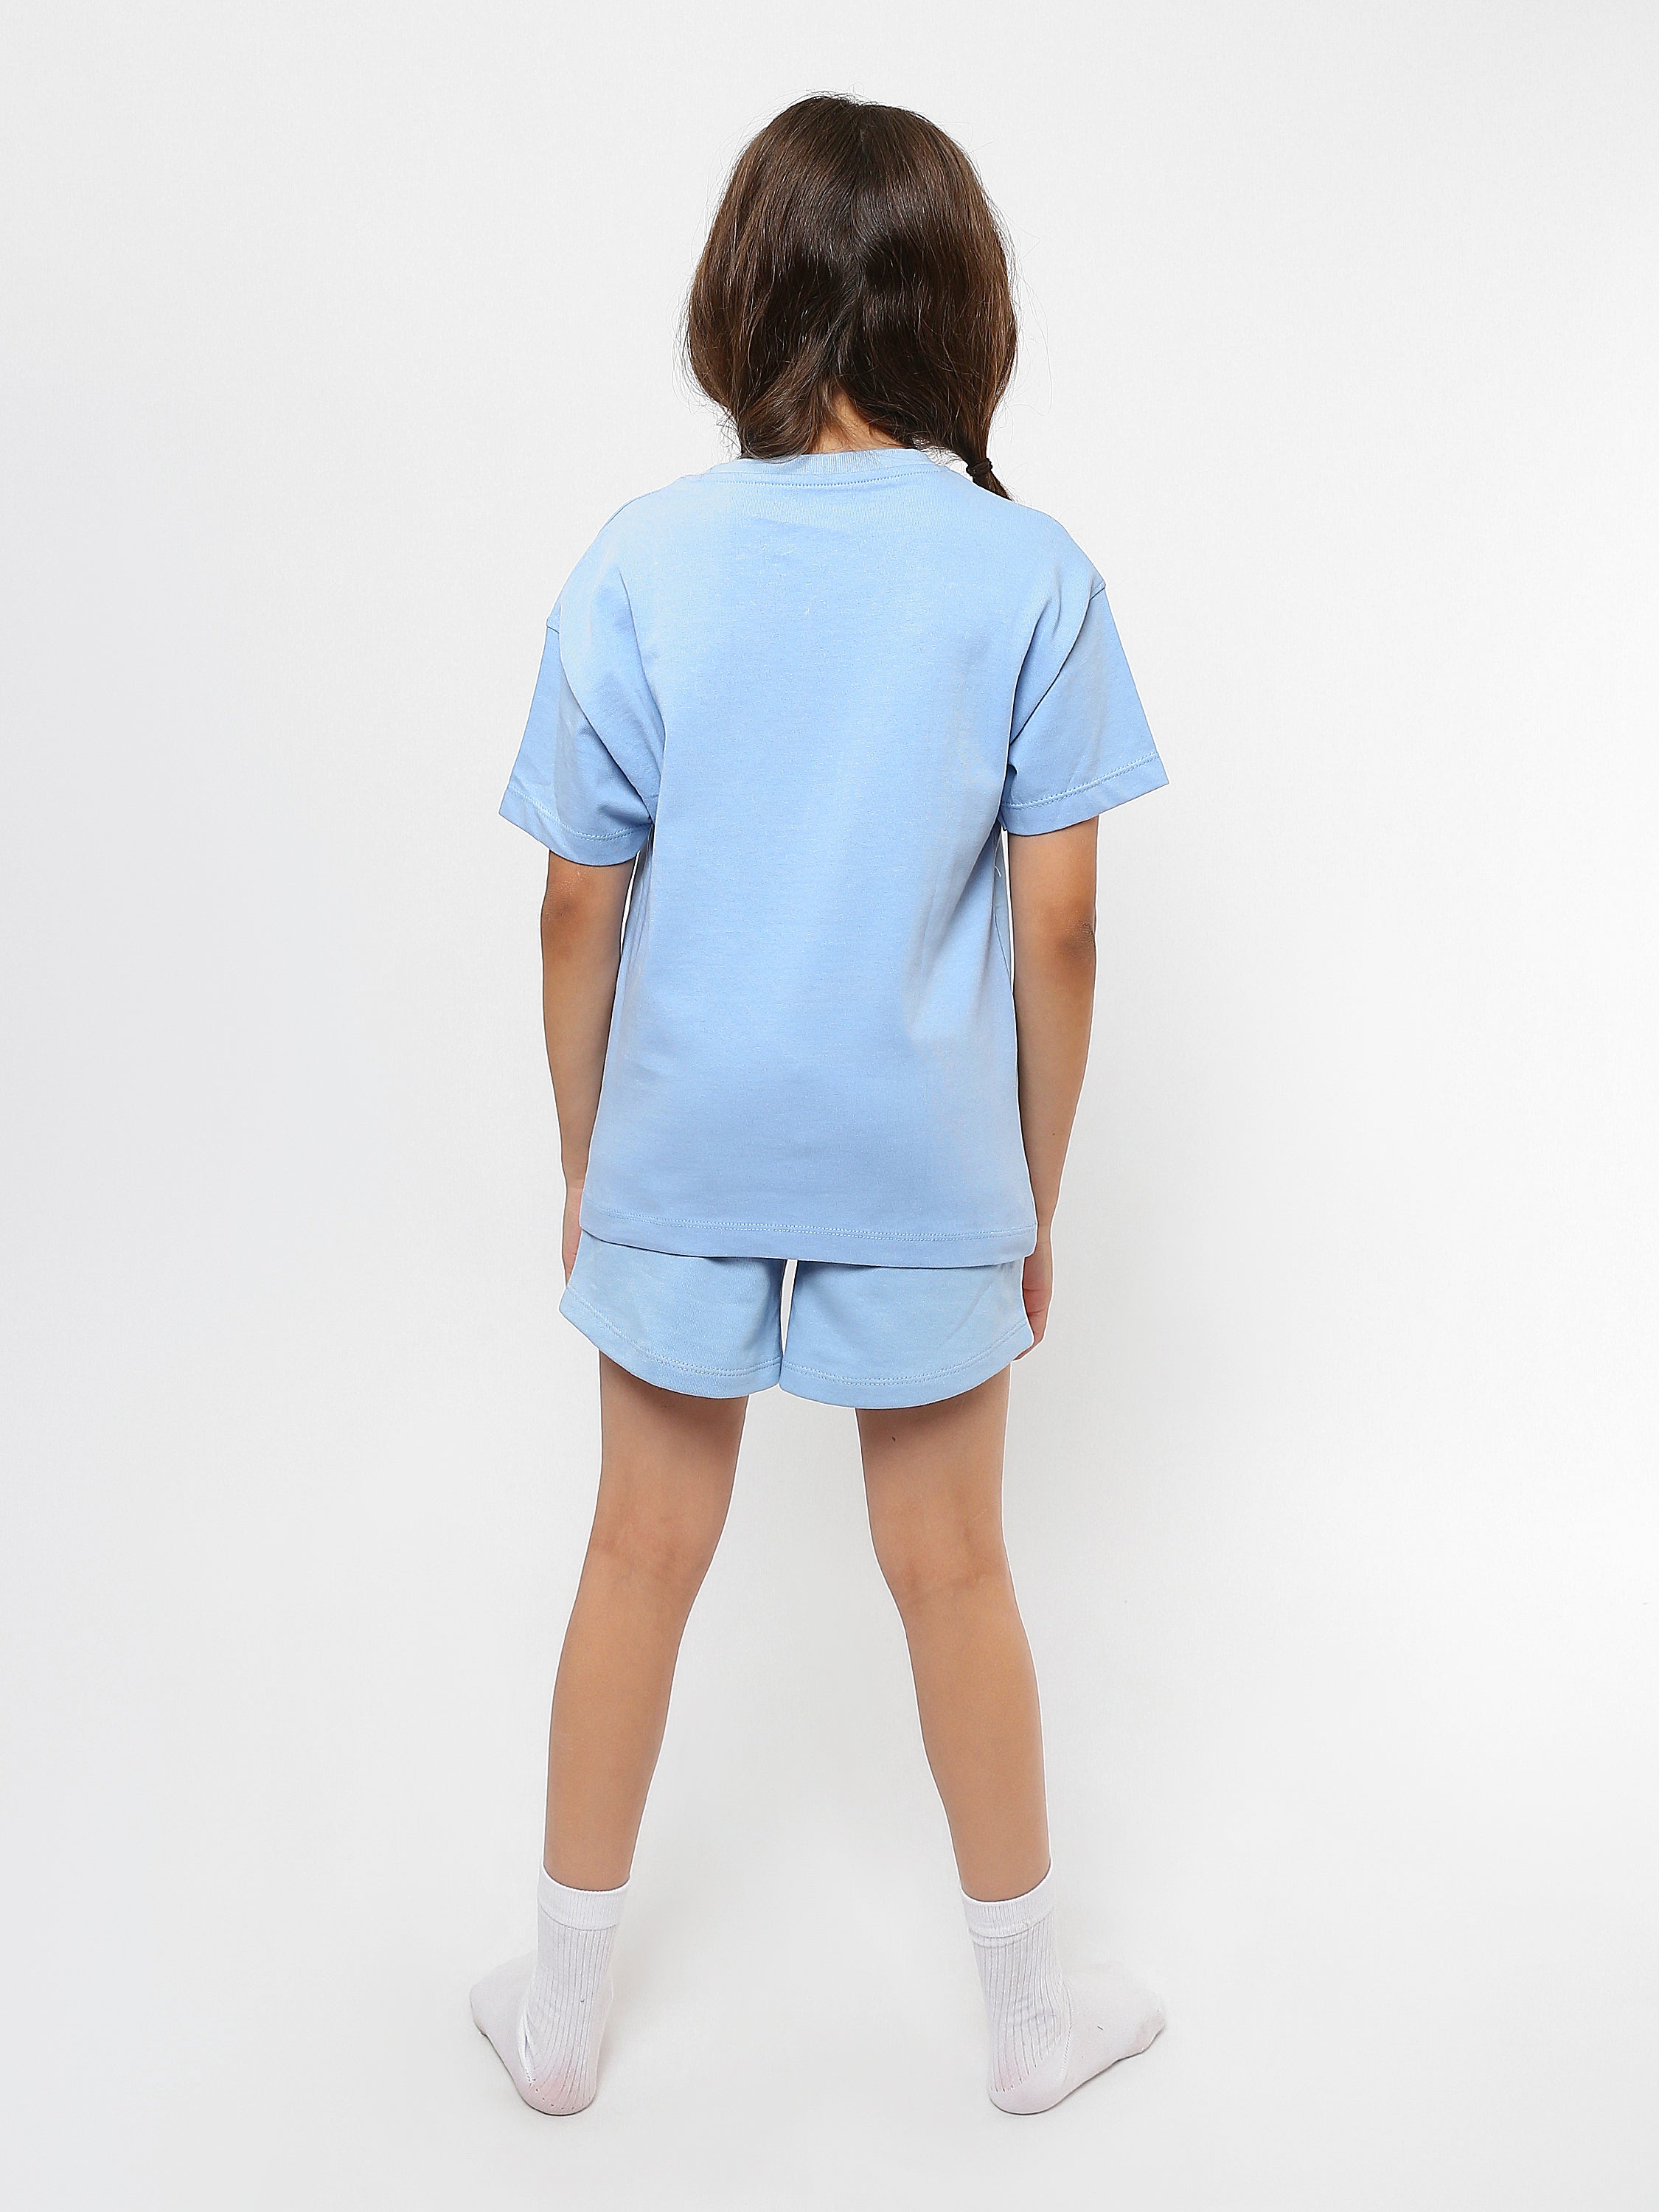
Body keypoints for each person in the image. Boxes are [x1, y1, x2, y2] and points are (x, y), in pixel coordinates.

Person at [472, 92, 1169, 2118]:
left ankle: (560, 2018)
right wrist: (1029, 1189)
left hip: (682, 1147)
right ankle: (1029, 2021)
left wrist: (590, 1159)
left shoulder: (643, 558)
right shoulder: (1032, 577)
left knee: (635, 1550)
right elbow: (1060, 932)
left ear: (741, 296)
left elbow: (572, 904)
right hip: (921, 1161)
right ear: (964, 311)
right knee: (952, 1566)